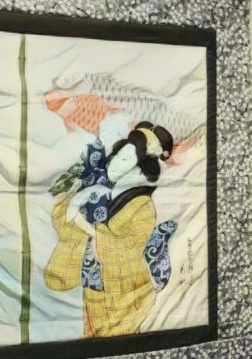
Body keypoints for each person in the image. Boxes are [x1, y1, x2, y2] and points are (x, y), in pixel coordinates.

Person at [44, 121, 175, 338]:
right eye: (117, 157)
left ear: (139, 168)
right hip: (91, 284)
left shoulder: (143, 206)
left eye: (126, 159)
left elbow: (127, 248)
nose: (115, 164)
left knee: (121, 339)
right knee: (89, 335)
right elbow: (61, 217)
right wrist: (72, 207)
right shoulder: (98, 188)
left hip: (123, 290)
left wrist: (89, 229)